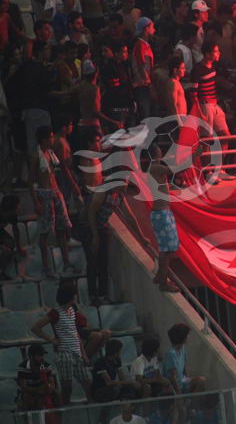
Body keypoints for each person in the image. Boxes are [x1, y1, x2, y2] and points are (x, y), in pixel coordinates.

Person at [86, 175, 151, 305]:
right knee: (93, 262)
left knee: (104, 262)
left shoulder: (119, 195)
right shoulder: (103, 191)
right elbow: (91, 213)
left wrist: (141, 236)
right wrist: (95, 235)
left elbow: (129, 216)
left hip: (103, 226)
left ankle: (103, 295)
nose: (125, 187)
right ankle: (93, 296)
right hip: (90, 226)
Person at [31, 282, 90, 404]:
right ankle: (65, 412)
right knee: (67, 386)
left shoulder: (72, 311)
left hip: (76, 352)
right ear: (70, 296)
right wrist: (51, 340)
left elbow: (75, 333)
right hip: (64, 353)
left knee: (88, 381)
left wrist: (83, 354)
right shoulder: (55, 313)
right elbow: (36, 327)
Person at [30, 125, 76, 278]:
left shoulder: (51, 153)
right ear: (43, 139)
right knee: (45, 231)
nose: (52, 139)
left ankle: (66, 262)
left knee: (61, 228)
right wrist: (36, 201)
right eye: (49, 137)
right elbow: (31, 181)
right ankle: (46, 267)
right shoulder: (36, 156)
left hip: (56, 192)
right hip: (44, 194)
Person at [91, 339, 136, 416]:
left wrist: (129, 383)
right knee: (115, 389)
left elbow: (122, 378)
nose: (121, 352)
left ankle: (128, 411)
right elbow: (109, 382)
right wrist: (130, 381)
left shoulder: (117, 360)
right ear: (115, 352)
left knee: (130, 387)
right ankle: (103, 416)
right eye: (120, 350)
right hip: (100, 391)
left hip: (112, 388)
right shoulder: (100, 362)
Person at [163, 323, 206, 403]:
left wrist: (188, 379)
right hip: (173, 386)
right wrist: (179, 395)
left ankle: (192, 407)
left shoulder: (183, 349)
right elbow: (173, 377)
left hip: (183, 381)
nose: (188, 337)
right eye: (187, 335)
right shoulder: (170, 354)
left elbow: (184, 368)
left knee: (201, 381)